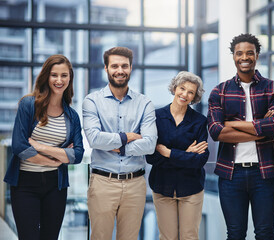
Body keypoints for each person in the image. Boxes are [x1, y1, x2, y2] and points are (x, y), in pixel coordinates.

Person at [207, 33, 274, 240]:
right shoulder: (219, 92)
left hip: (265, 173)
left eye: (249, 53)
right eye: (239, 53)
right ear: (233, 56)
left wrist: (231, 123)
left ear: (257, 55)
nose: (244, 57)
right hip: (231, 174)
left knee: (265, 233)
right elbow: (216, 131)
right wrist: (259, 130)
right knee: (235, 234)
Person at [3, 55, 84, 240]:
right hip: (25, 185)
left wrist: (40, 147)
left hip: (56, 186)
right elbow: (19, 147)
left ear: (69, 78)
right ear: (46, 76)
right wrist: (58, 159)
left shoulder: (72, 116)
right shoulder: (28, 105)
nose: (59, 80)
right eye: (54, 75)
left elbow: (78, 154)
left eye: (64, 75)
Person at [82, 46, 158, 240]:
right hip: (102, 182)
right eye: (114, 65)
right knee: (100, 237)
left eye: (125, 66)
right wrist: (128, 136)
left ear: (131, 68)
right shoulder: (92, 101)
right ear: (106, 68)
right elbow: (94, 139)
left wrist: (116, 144)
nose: (120, 70)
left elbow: (150, 144)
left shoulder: (145, 103)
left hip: (135, 184)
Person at [146, 71, 209, 240]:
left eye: (191, 92)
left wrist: (168, 153)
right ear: (174, 88)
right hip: (162, 187)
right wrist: (185, 155)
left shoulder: (200, 121)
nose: (185, 94)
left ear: (194, 97)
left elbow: (200, 160)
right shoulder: (156, 117)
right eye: (182, 88)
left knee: (189, 236)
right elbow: (150, 157)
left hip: (191, 189)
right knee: (167, 237)